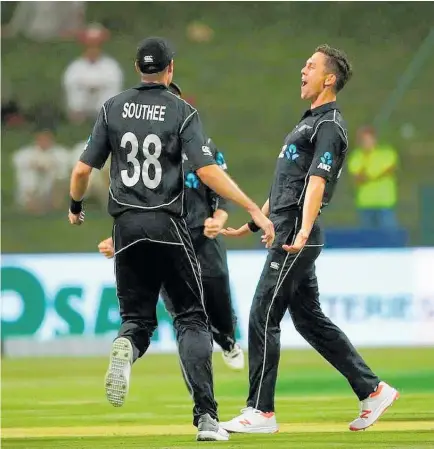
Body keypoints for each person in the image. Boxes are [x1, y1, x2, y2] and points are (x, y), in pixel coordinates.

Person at [68, 36, 274, 442]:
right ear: (171, 69)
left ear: (136, 67)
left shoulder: (112, 108)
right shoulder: (182, 112)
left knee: (137, 320)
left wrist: (75, 207)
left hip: (125, 229)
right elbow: (209, 172)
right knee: (191, 318)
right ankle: (207, 419)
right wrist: (251, 206)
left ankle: (127, 344)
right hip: (168, 226)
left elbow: (80, 171)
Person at [220, 44, 399, 434]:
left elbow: (316, 182)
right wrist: (253, 222)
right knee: (308, 320)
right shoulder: (309, 121)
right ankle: (373, 389)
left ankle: (261, 412)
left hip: (296, 233)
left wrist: (301, 229)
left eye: (311, 65)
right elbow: (288, 183)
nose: (303, 69)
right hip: (286, 228)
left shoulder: (329, 125)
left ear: (329, 78)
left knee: (262, 312)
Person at [98, 81, 244, 371]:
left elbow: (221, 198)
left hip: (203, 241)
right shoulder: (146, 153)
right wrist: (119, 240)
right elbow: (137, 207)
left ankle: (227, 339)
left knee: (219, 307)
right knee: (185, 316)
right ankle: (200, 390)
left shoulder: (205, 149)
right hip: (169, 243)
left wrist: (218, 219)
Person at [63, 23, 123, 124]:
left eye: (96, 44)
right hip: (81, 107)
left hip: (102, 105)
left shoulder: (111, 66)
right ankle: (78, 121)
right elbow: (70, 84)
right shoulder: (75, 67)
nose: (93, 48)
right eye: (90, 44)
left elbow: (114, 85)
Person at [348, 126, 399, 229]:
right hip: (365, 204)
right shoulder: (356, 156)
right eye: (364, 140)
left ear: (375, 139)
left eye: (369, 139)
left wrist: (369, 176)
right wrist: (375, 174)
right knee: (368, 238)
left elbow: (389, 170)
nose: (367, 142)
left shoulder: (387, 153)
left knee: (389, 235)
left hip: (385, 203)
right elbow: (358, 178)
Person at [12, 128, 69, 214]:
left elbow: (65, 166)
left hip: (52, 189)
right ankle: (34, 204)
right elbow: (18, 161)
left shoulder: (60, 152)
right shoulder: (25, 153)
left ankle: (51, 205)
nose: (44, 142)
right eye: (41, 139)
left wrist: (49, 165)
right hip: (32, 189)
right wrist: (36, 165)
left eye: (47, 139)